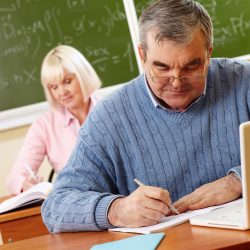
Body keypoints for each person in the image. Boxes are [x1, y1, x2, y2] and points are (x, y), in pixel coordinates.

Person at [42, 0, 249, 233]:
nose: (177, 81)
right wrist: (118, 210)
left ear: (208, 53)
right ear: (142, 55)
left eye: (192, 66)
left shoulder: (244, 82)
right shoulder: (110, 117)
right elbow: (55, 207)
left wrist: (238, 181)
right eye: (162, 68)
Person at [6, 45, 102, 194]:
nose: (62, 92)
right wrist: (24, 183)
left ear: (83, 76)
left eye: (67, 81)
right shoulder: (44, 125)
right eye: (54, 87)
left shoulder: (110, 109)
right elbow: (14, 180)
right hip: (76, 206)